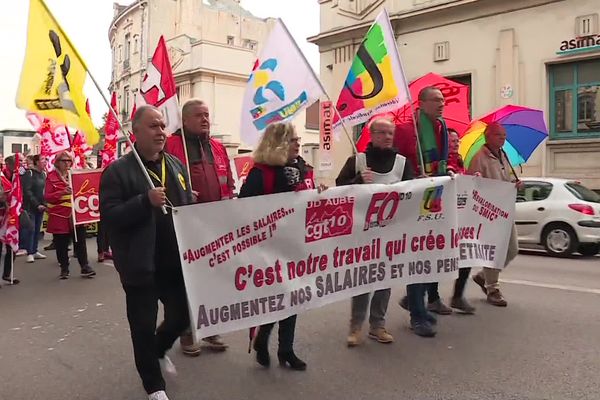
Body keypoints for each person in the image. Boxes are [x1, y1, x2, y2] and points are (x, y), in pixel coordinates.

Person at [100, 105, 193, 400]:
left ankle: (157, 350)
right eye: (153, 126)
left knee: (182, 316)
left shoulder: (176, 165)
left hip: (175, 262)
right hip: (140, 265)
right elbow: (110, 216)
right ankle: (154, 386)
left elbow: (186, 204)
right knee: (142, 326)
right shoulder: (117, 171)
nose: (161, 132)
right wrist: (144, 201)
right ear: (135, 132)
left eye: (162, 126)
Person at [240, 122, 315, 371]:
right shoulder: (259, 174)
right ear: (280, 143)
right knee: (276, 298)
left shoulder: (299, 168)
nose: (298, 143)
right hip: (268, 248)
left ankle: (286, 349)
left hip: (294, 243)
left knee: (293, 296)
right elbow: (244, 212)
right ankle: (263, 339)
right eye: (293, 139)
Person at [336, 118, 414, 346]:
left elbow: (413, 193)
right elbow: (339, 191)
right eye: (383, 133)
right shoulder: (357, 161)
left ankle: (377, 325)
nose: (388, 137)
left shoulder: (402, 163)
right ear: (372, 134)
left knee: (385, 280)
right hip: (363, 234)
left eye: (391, 133)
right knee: (362, 280)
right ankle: (355, 326)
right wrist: (358, 180)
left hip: (390, 233)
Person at [165, 99, 233, 356]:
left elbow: (228, 185)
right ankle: (186, 332)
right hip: (182, 225)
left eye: (207, 115)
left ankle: (210, 327)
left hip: (213, 225)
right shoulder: (171, 145)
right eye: (198, 115)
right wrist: (179, 193)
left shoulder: (217, 147)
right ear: (184, 120)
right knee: (184, 281)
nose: (205, 119)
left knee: (211, 278)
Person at [394, 86, 452, 337]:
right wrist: (414, 175)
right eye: (437, 100)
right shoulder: (408, 131)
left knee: (431, 257)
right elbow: (395, 164)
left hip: (435, 198)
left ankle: (416, 301)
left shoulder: (442, 129)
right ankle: (417, 315)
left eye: (443, 100)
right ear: (422, 102)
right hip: (413, 200)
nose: (442, 104)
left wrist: (446, 170)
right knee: (418, 259)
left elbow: (441, 159)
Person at [467, 123, 521, 307]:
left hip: (505, 209)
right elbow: (472, 184)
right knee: (494, 250)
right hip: (490, 212)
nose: (502, 139)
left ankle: (483, 276)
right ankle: (492, 288)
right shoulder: (479, 158)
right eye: (499, 135)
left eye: (504, 135)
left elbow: (507, 179)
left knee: (512, 249)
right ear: (487, 136)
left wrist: (516, 183)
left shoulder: (503, 155)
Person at [45, 151, 95, 280]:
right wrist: (61, 192)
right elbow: (48, 197)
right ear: (57, 162)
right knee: (61, 244)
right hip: (59, 215)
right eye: (64, 161)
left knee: (80, 241)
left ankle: (85, 266)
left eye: (69, 161)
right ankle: (64, 268)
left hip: (76, 214)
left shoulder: (75, 175)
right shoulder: (51, 177)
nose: (67, 163)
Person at [446, 129, 476, 314]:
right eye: (452, 140)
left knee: (466, 256)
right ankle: (413, 298)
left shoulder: (459, 159)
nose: (456, 143)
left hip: (461, 217)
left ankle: (457, 296)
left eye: (457, 140)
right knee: (439, 259)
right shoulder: (445, 161)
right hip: (448, 217)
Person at [21, 155, 48, 263]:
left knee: (37, 229)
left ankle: (35, 250)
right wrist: (37, 204)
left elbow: (45, 191)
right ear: (36, 162)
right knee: (31, 229)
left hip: (41, 206)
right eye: (42, 160)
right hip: (31, 207)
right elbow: (27, 191)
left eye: (45, 160)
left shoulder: (44, 174)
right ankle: (30, 252)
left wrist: (44, 203)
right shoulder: (29, 173)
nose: (45, 162)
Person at [0, 156, 19, 285]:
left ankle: (7, 274)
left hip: (10, 216)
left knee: (11, 246)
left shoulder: (16, 177)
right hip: (1, 215)